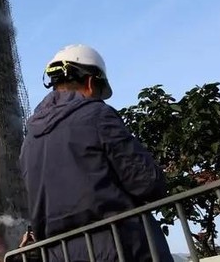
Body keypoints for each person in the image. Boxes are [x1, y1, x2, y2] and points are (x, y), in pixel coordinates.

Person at [19, 44, 173, 262]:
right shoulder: (96, 115)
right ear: (91, 83)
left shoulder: (29, 141)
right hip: (119, 248)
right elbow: (148, 184)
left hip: (56, 254)